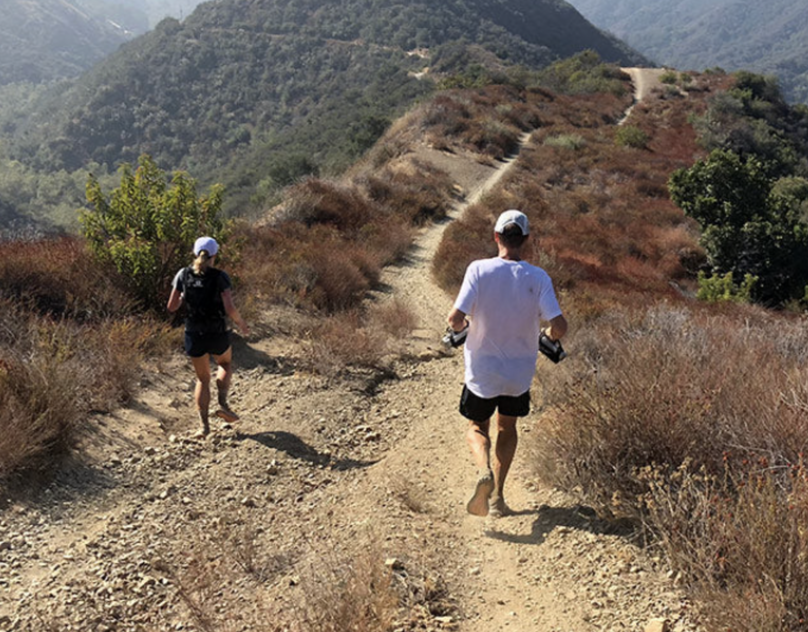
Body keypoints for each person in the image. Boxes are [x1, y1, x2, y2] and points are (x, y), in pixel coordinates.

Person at [447, 210, 567, 518]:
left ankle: (483, 470)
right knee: (508, 427)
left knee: (477, 426)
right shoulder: (539, 277)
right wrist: (549, 336)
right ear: (525, 241)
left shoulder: (479, 270)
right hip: (519, 373)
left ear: (496, 237)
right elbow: (560, 326)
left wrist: (460, 332)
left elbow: (455, 318)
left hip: (482, 370)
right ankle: (499, 498)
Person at [167, 236, 250, 437]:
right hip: (217, 331)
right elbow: (229, 307)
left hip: (193, 333)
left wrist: (185, 298)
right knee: (225, 365)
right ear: (215, 255)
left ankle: (204, 427)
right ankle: (223, 403)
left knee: (202, 379)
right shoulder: (220, 276)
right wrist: (241, 323)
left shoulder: (183, 274)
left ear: (195, 253)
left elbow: (171, 307)